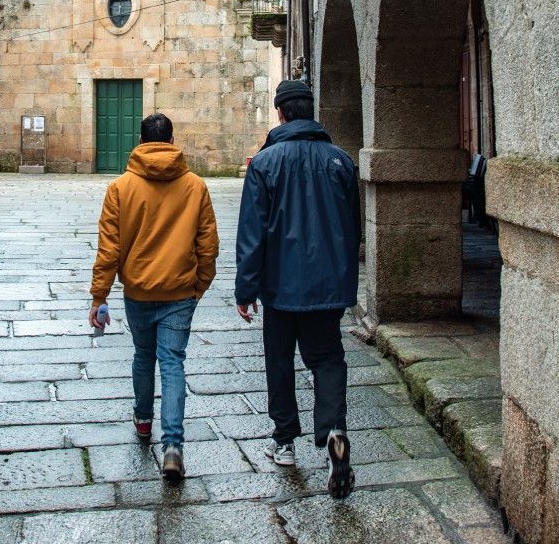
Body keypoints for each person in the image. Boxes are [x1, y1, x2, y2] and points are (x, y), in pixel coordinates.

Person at [236, 78, 360, 498]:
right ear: (310, 110)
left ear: (281, 113)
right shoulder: (341, 162)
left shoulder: (266, 164)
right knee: (327, 359)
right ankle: (333, 431)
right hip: (327, 285)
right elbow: (352, 229)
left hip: (279, 287)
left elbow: (252, 234)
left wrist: (244, 288)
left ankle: (285, 442)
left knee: (280, 360)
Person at [89, 112, 219, 482]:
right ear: (171, 139)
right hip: (180, 291)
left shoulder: (120, 188)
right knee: (173, 362)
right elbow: (208, 244)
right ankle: (174, 447)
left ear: (141, 140)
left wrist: (99, 295)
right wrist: (199, 285)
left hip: (138, 291)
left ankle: (144, 422)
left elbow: (108, 249)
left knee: (144, 356)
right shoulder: (195, 186)